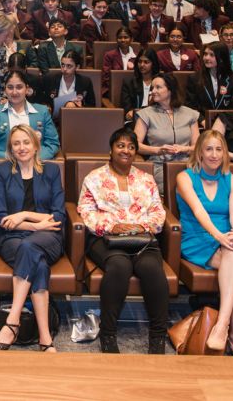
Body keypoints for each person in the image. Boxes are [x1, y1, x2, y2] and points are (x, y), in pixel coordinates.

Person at [78, 129, 168, 354]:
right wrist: (113, 226)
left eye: (131, 147)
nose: (125, 150)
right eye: (120, 145)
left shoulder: (146, 179)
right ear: (111, 149)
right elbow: (86, 211)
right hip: (106, 239)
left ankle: (158, 336)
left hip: (142, 238)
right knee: (119, 266)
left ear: (136, 152)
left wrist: (142, 227)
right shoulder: (94, 178)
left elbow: (158, 211)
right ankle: (108, 334)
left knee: (152, 268)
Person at [175, 131, 233, 355]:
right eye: (209, 149)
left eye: (219, 149)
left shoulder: (232, 180)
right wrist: (221, 237)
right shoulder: (185, 177)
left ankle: (224, 327)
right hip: (198, 237)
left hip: (228, 237)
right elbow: (199, 211)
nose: (214, 154)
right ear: (199, 152)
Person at [0, 125, 65, 352]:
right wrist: (37, 225)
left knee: (29, 247)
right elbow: (1, 218)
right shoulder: (2, 171)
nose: (21, 147)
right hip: (11, 238)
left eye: (26, 142)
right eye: (16, 143)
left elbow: (58, 216)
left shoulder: (51, 171)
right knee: (37, 263)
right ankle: (45, 338)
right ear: (10, 148)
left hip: (48, 236)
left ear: (35, 145)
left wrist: (24, 214)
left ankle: (12, 321)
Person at [0, 70, 59, 160]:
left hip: (35, 164)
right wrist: (10, 157)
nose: (14, 92)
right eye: (10, 87)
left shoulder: (42, 111)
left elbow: (53, 143)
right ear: (5, 90)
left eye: (19, 87)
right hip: (4, 163)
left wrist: (32, 158)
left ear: (27, 89)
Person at [134, 73, 200, 182]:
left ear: (170, 90)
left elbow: (198, 146)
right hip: (159, 165)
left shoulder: (190, 114)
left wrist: (185, 149)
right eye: (152, 88)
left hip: (187, 165)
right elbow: (135, 145)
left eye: (158, 87)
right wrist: (157, 150)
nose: (153, 91)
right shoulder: (145, 114)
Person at [186, 42, 233, 114]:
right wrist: (202, 119)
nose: (206, 58)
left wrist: (223, 120)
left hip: (226, 120)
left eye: (212, 55)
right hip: (201, 119)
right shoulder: (194, 78)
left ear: (221, 58)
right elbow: (190, 105)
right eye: (205, 54)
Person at [43, 49, 95, 119]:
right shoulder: (50, 79)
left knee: (70, 105)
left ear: (77, 67)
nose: (64, 69)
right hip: (53, 119)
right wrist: (48, 107)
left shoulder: (85, 82)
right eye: (63, 65)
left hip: (76, 119)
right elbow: (42, 101)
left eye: (69, 66)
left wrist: (82, 108)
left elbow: (92, 106)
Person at [121, 48, 160, 122]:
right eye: (140, 61)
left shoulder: (160, 82)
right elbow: (126, 108)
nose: (142, 65)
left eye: (146, 62)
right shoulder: (129, 83)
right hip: (135, 120)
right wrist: (129, 113)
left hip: (156, 119)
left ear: (153, 63)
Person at [100, 25, 137, 101]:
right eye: (120, 37)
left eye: (126, 37)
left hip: (133, 90)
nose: (123, 40)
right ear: (117, 39)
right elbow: (106, 77)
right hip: (112, 89)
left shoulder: (137, 57)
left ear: (131, 39)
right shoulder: (109, 55)